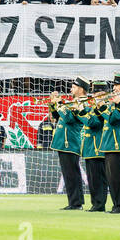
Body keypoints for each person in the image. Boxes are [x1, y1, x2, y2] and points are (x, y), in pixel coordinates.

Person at [48, 77, 88, 210]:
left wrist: (59, 104)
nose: (71, 89)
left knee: (72, 173)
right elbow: (58, 116)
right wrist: (54, 104)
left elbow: (69, 119)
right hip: (65, 141)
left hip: (70, 141)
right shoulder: (74, 102)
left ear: (81, 89)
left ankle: (76, 203)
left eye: (74, 87)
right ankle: (74, 201)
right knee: (69, 173)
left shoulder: (83, 102)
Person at [100, 73, 120, 213]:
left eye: (116, 85)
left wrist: (102, 108)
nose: (114, 88)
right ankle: (116, 205)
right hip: (109, 142)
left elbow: (114, 119)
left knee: (118, 177)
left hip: (118, 142)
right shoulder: (115, 101)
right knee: (111, 178)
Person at [81, 81, 108, 211]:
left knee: (99, 178)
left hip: (98, 147)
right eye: (94, 93)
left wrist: (81, 112)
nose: (95, 96)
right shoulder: (94, 108)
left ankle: (100, 204)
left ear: (104, 93)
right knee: (92, 178)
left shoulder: (104, 107)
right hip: (90, 147)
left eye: (97, 93)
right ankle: (95, 203)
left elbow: (93, 123)